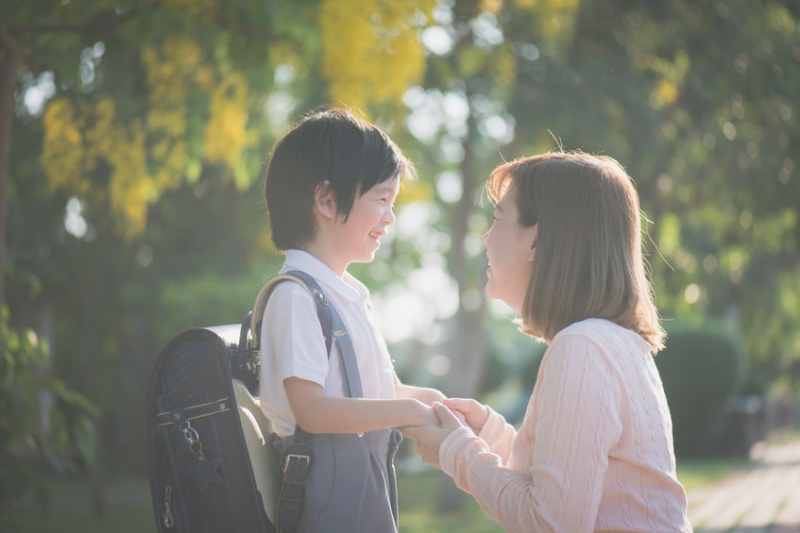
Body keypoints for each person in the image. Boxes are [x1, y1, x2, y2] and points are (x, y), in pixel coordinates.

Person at [404, 152, 692, 532]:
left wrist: (455, 451)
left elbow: (550, 523)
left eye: (498, 219)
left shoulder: (582, 348)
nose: (486, 238)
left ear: (537, 242)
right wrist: (488, 434)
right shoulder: (611, 341)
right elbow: (568, 476)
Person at [260, 107, 443, 532]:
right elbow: (311, 411)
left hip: (361, 493)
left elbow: (372, 390)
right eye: (381, 199)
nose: (390, 218)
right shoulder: (296, 297)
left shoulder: (345, 294)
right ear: (326, 200)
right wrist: (405, 411)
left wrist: (429, 400)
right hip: (328, 505)